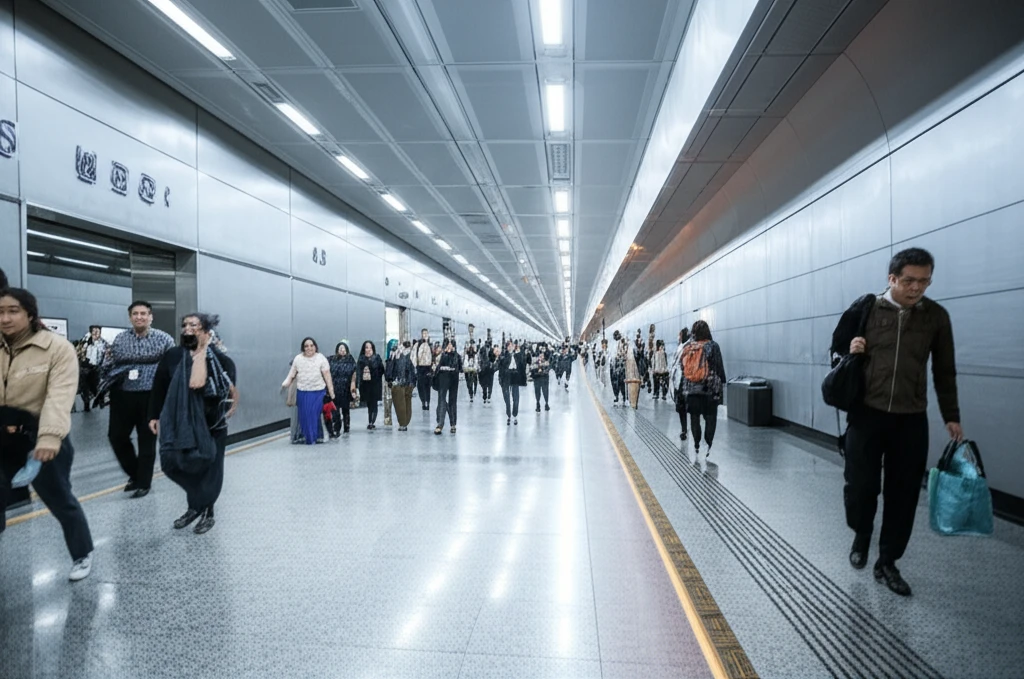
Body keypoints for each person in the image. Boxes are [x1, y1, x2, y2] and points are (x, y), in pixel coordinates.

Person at [841, 248, 961, 597]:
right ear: (891, 278)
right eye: (909, 280)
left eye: (924, 281)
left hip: (910, 418)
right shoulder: (866, 309)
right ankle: (862, 532)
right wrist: (851, 349)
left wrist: (951, 415)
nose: (916, 288)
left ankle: (888, 562)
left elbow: (944, 369)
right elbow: (835, 350)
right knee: (861, 487)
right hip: (866, 413)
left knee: (903, 494)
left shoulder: (935, 317)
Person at [1, 286, 95, 581]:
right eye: (0, 312)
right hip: (3, 437)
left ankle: (82, 553)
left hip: (40, 438)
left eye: (13, 311)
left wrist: (49, 437)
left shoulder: (56, 348)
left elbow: (60, 396)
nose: (5, 318)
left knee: (59, 499)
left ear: (30, 314)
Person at [148, 313, 238, 535]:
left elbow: (224, 390)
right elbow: (159, 387)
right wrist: (154, 415)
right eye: (184, 325)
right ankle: (195, 506)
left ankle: (208, 512)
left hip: (212, 424)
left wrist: (204, 351)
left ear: (207, 332)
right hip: (180, 424)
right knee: (181, 465)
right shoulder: (172, 356)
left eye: (194, 325)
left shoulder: (220, 360)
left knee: (210, 469)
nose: (187, 328)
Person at [101, 301, 174, 498]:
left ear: (151, 317)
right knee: (116, 436)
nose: (139, 317)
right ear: (130, 317)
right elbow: (109, 364)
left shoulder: (164, 339)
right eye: (135, 314)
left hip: (151, 396)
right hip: (123, 395)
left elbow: (172, 368)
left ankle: (143, 482)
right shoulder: (120, 339)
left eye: (143, 313)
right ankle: (135, 473)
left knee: (146, 439)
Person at [681, 320, 726, 459]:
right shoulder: (713, 346)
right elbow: (719, 367)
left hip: (692, 390)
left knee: (694, 417)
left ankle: (696, 444)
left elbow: (683, 368)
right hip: (710, 389)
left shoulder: (689, 347)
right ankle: (708, 444)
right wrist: (722, 382)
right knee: (711, 417)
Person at [281, 337, 334, 445]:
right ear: (303, 348)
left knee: (313, 414)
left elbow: (327, 376)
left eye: (311, 345)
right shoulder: (298, 359)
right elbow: (291, 375)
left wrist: (331, 392)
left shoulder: (321, 358)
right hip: (303, 392)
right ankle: (310, 437)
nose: (309, 348)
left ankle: (313, 438)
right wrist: (285, 384)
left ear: (315, 347)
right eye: (306, 346)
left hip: (318, 392)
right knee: (304, 416)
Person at [327, 342, 356, 436]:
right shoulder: (332, 360)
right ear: (337, 350)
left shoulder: (350, 361)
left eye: (344, 349)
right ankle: (337, 427)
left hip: (346, 389)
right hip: (335, 388)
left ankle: (346, 427)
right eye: (340, 349)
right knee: (335, 409)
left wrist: (354, 389)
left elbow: (354, 376)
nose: (342, 350)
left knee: (345, 409)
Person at [355, 340, 385, 430]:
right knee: (369, 404)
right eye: (366, 347)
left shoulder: (377, 358)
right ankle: (370, 420)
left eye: (370, 347)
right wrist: (358, 385)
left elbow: (381, 370)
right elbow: (358, 373)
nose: (368, 349)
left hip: (375, 384)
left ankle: (371, 422)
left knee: (374, 403)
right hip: (365, 385)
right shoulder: (361, 359)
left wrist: (372, 360)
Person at [433, 338, 461, 435]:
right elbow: (436, 366)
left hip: (454, 379)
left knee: (452, 401)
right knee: (441, 400)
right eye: (447, 344)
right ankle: (440, 424)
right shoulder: (440, 355)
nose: (449, 346)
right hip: (443, 378)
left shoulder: (457, 356)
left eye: (451, 344)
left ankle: (453, 424)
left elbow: (460, 368)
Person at [387, 341, 416, 431]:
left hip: (397, 382)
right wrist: (413, 382)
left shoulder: (394, 354)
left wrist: (389, 379)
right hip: (408, 382)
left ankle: (403, 424)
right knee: (407, 402)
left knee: (400, 404)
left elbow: (389, 368)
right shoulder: (411, 354)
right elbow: (413, 368)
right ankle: (405, 422)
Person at [669, 328, 691, 441]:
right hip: (681, 381)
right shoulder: (682, 346)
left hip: (684, 381)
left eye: (679, 334)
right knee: (682, 406)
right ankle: (685, 429)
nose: (678, 337)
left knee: (683, 406)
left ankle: (685, 429)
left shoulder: (687, 347)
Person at [79, 325, 108, 411]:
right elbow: (79, 352)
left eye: (97, 331)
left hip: (95, 368)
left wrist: (102, 366)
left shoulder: (103, 343)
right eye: (93, 331)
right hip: (84, 368)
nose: (95, 332)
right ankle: (86, 405)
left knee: (94, 387)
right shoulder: (85, 341)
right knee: (84, 388)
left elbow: (106, 356)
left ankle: (100, 401)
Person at [498, 340, 526, 425]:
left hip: (515, 376)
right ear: (507, 347)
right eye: (509, 346)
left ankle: (515, 415)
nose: (511, 347)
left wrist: (519, 353)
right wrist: (501, 379)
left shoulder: (518, 355)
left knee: (516, 397)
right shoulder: (504, 355)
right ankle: (508, 415)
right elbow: (501, 367)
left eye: (512, 345)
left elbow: (522, 364)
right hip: (506, 376)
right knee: (507, 397)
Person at [414, 329, 433, 411]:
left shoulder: (430, 344)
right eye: (423, 333)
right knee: (420, 385)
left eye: (426, 333)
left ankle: (427, 402)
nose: (425, 335)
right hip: (420, 367)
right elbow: (414, 355)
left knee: (427, 386)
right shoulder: (418, 344)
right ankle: (423, 401)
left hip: (428, 367)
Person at [530, 341, 552, 412]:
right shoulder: (535, 361)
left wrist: (542, 370)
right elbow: (532, 369)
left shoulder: (546, 360)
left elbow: (548, 366)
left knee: (545, 391)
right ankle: (538, 403)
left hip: (543, 378)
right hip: (539, 378)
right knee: (538, 392)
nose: (541, 356)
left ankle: (545, 403)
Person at [610, 332, 627, 405]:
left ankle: (623, 397)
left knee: (621, 381)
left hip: (620, 364)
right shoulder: (617, 343)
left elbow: (624, 353)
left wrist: (620, 356)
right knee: (617, 382)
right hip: (616, 364)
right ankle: (618, 396)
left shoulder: (623, 342)